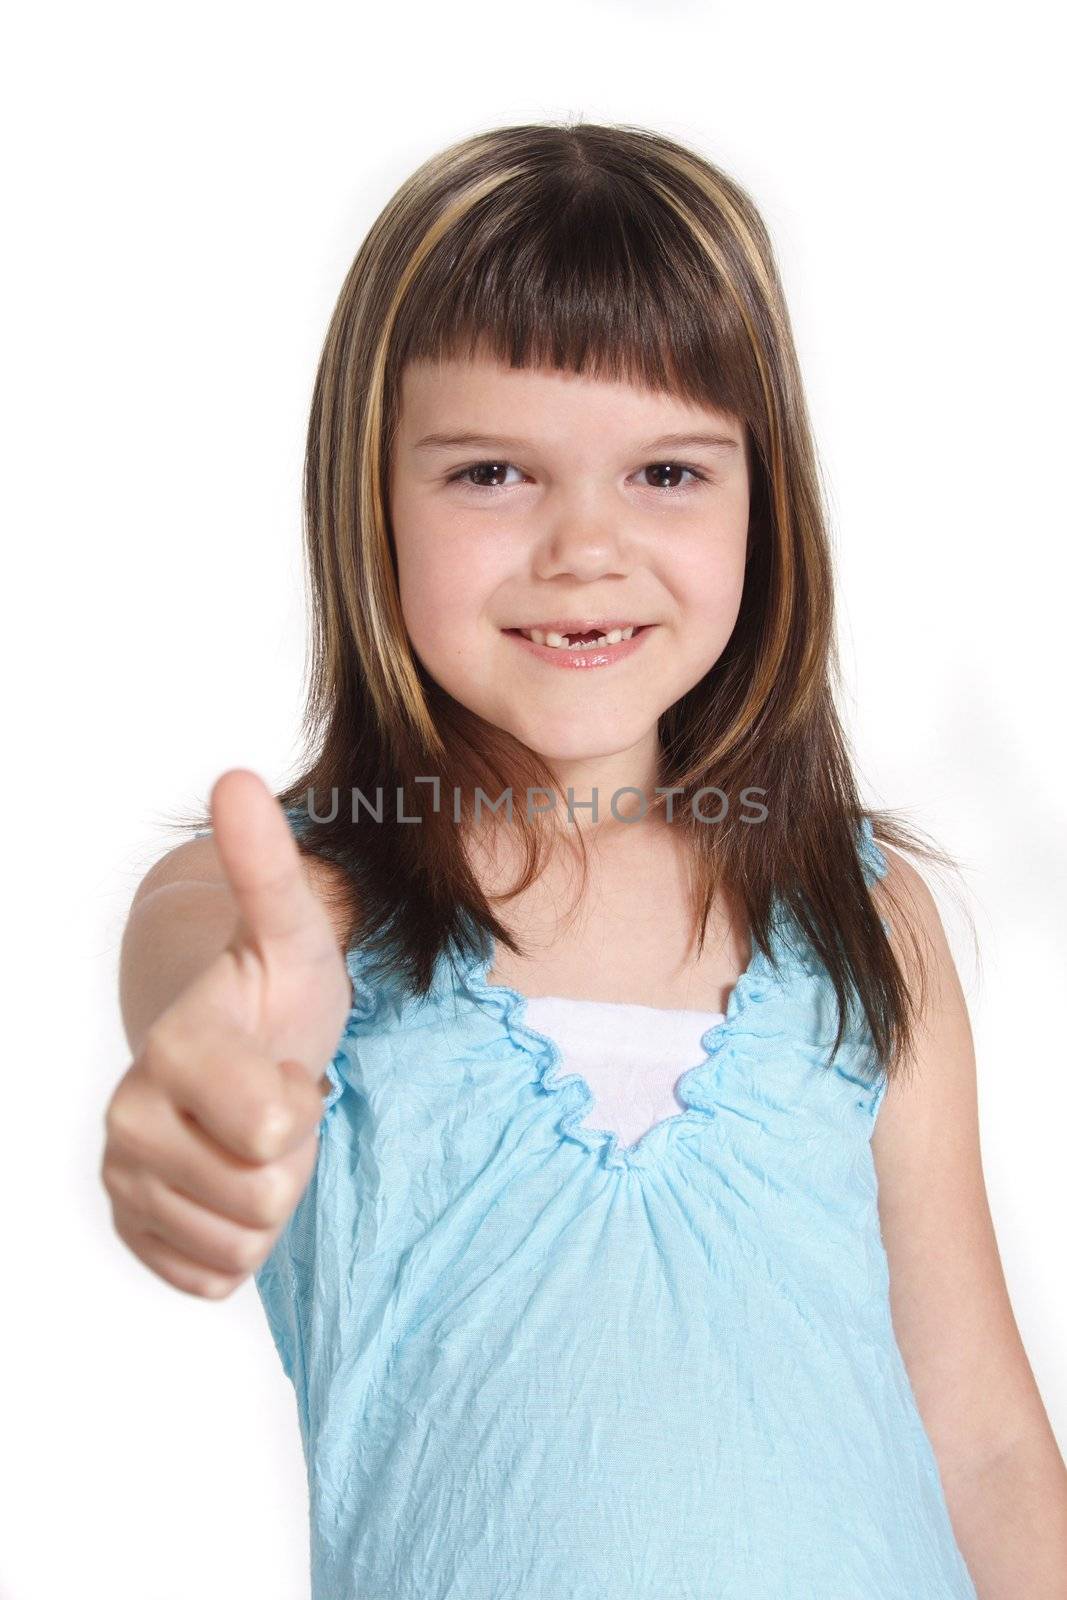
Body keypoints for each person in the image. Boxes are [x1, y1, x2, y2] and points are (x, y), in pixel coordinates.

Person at [103, 120, 1067, 1598]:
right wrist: (213, 1094)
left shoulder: (866, 915)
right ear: (369, 502)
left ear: (768, 500)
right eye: (493, 473)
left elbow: (988, 1440)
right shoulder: (293, 906)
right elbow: (209, 1004)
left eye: (669, 475)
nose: (585, 546)